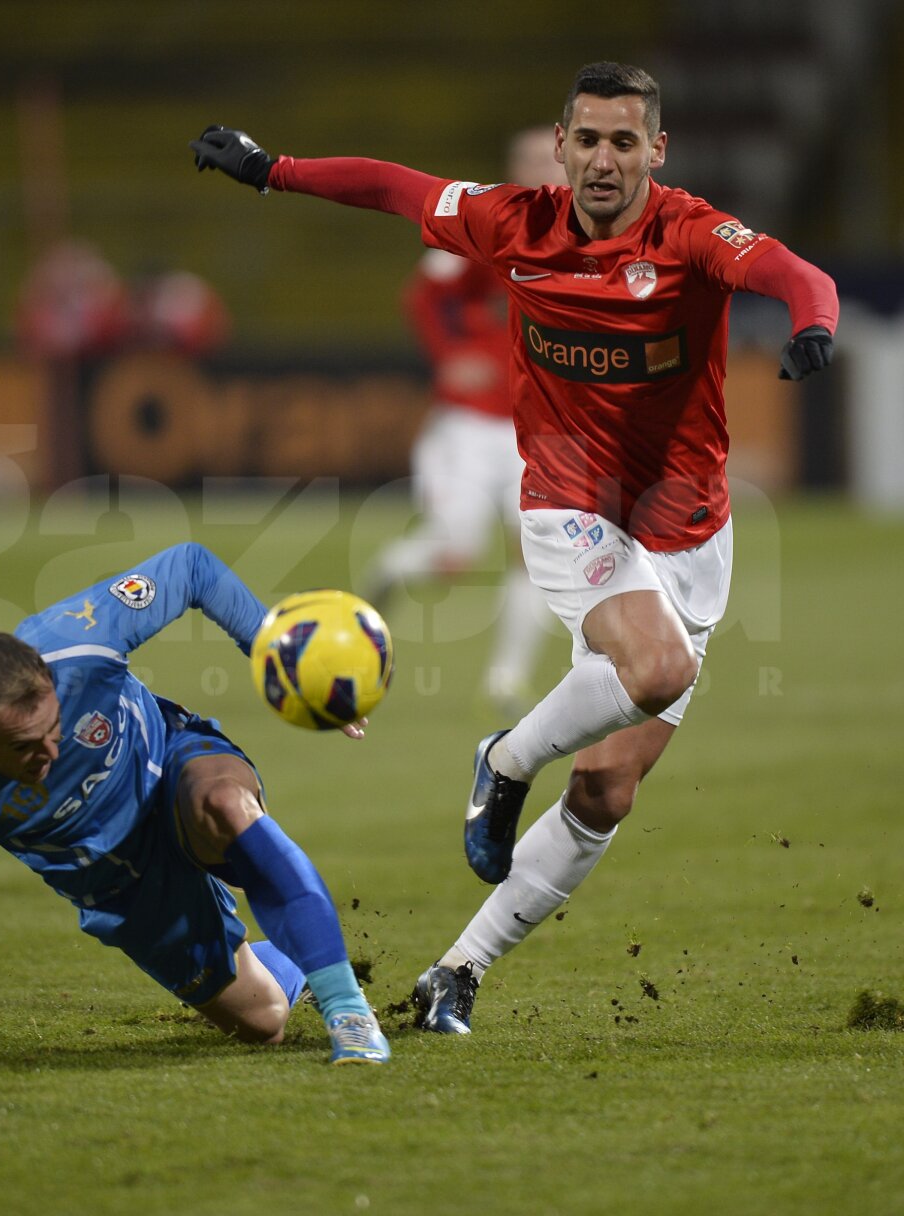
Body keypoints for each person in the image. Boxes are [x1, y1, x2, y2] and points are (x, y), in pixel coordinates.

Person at [189, 61, 838, 1034]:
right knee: (655, 668)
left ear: (657, 151)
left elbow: (797, 274)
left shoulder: (691, 234)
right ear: (564, 145)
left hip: (691, 529)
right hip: (570, 503)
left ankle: (458, 969)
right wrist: (272, 169)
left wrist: (815, 323)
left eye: (627, 141)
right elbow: (393, 186)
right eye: (590, 139)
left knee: (606, 787)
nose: (606, 159)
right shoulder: (514, 223)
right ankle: (503, 759)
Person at [0, 543, 390, 1064]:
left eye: (57, 727)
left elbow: (192, 566)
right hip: (124, 885)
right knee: (264, 1020)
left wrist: (271, 652)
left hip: (170, 766)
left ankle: (348, 1015)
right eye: (27, 747)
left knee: (225, 803)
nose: (53, 751)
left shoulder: (79, 641)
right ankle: (294, 959)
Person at [360, 127, 563, 716]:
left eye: (547, 161)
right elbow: (425, 294)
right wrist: (453, 355)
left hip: (538, 430)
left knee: (537, 553)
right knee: (458, 552)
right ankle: (391, 568)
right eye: (526, 160)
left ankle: (506, 680)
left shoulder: (584, 233)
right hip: (470, 428)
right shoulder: (489, 223)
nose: (539, 171)